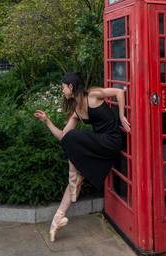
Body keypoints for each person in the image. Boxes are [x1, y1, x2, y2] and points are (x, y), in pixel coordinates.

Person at [34, 72, 131, 242]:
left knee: (73, 140)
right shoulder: (76, 112)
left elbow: (119, 92)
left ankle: (73, 177)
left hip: (112, 140)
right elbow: (63, 137)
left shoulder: (92, 95)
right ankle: (57, 219)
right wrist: (47, 121)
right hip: (100, 144)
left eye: (63, 87)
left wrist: (122, 116)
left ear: (71, 87)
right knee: (73, 159)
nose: (62, 91)